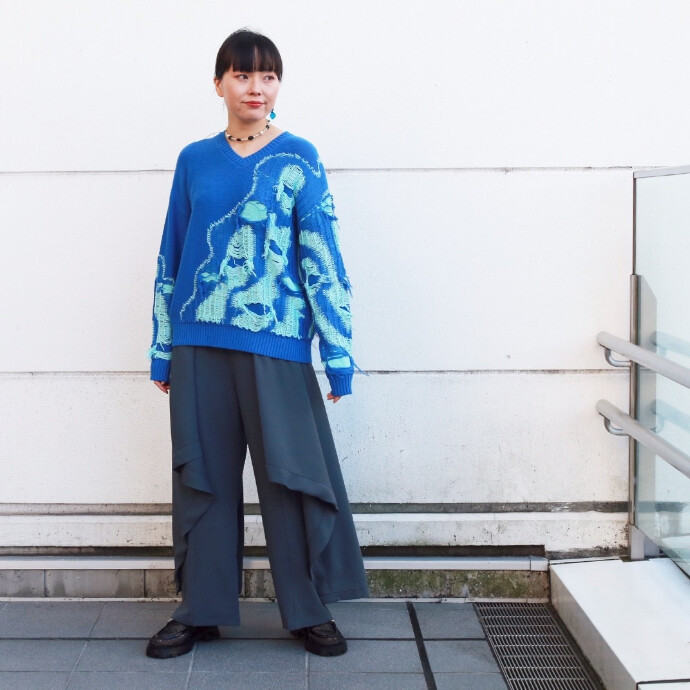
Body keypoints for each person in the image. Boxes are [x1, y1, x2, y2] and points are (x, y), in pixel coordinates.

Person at [144, 29, 369, 660]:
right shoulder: (194, 159)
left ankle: (307, 610)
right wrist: (162, 346)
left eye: (267, 76)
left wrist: (338, 353)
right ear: (218, 83)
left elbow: (322, 254)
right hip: (198, 342)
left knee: (292, 479)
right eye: (242, 75)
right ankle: (201, 609)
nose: (256, 88)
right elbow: (172, 252)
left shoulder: (299, 157)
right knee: (205, 479)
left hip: (278, 343)